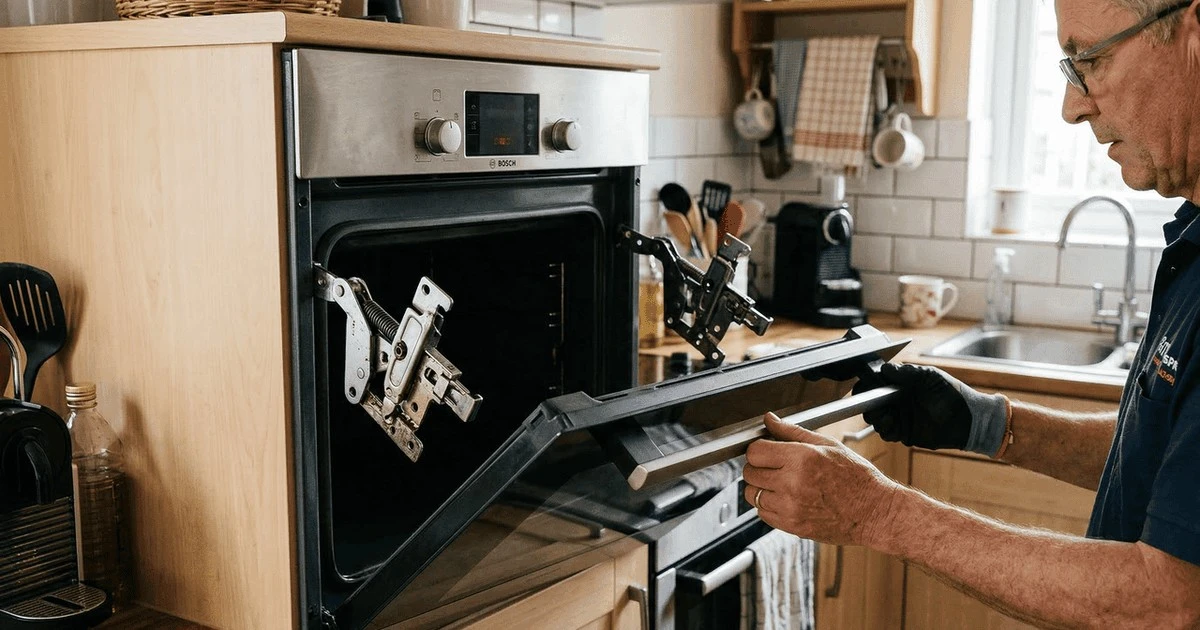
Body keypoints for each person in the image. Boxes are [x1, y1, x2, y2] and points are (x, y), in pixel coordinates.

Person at [742, 0, 1200, 626]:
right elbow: (1162, 460)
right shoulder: (1192, 240)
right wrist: (985, 423)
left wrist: (880, 513)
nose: (1073, 105)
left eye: (1090, 58)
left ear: (1194, 32)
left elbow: (1169, 604)